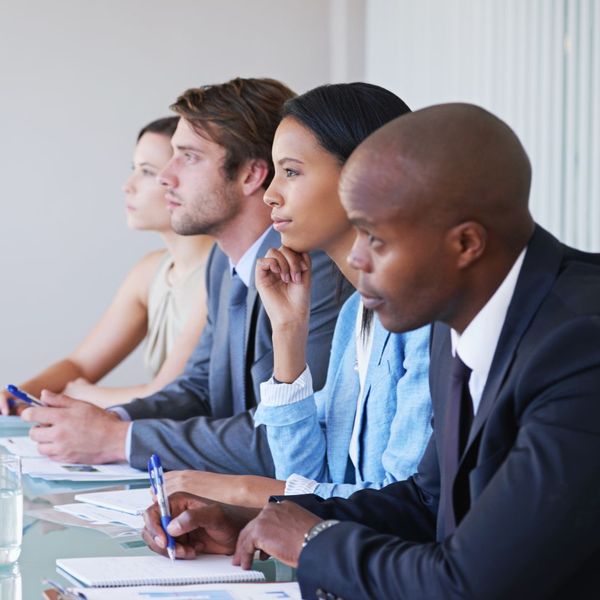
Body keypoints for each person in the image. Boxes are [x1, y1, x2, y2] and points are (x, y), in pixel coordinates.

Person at [142, 103, 600, 598]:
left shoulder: (580, 345)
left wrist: (313, 541)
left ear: (466, 243)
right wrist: (258, 521)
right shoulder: (462, 309)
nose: (356, 260)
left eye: (375, 241)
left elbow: (472, 583)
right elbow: (427, 502)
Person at [21, 78, 348, 475]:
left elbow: (289, 433)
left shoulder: (316, 269)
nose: (165, 176)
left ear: (250, 175)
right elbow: (198, 388)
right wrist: (113, 421)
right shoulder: (221, 263)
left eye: (188, 157)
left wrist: (116, 441)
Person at [162, 83, 432, 507]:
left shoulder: (424, 319)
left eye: (291, 172)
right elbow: (306, 478)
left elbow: (404, 506)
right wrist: (288, 333)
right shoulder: (354, 315)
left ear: (367, 176)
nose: (271, 194)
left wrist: (245, 491)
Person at [0, 117, 213, 414]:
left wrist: (83, 394)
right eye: (134, 170)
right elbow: (80, 364)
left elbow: (164, 395)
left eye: (148, 172)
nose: (128, 186)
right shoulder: (150, 271)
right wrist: (19, 394)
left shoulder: (219, 275)